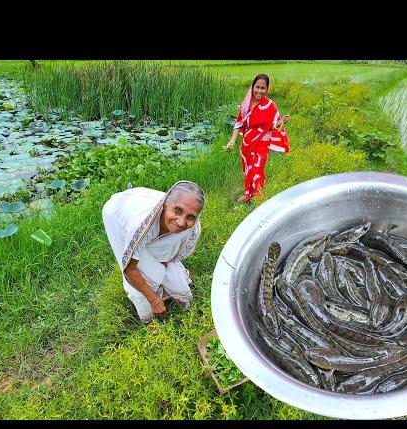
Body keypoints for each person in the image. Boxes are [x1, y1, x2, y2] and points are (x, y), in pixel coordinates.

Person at [102, 180, 205, 325]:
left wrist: (162, 263)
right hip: (116, 215)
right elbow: (130, 269)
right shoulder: (141, 226)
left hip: (141, 204)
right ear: (164, 204)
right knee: (140, 275)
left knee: (175, 284)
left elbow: (171, 253)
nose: (182, 222)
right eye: (177, 210)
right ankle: (149, 315)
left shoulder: (191, 228)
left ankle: (166, 288)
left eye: (190, 217)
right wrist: (154, 300)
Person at [225, 74, 290, 203]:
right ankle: (248, 195)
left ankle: (259, 199)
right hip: (247, 144)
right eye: (257, 87)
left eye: (263, 88)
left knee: (257, 169)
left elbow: (274, 126)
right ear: (252, 87)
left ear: (267, 89)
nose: (259, 91)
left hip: (261, 144)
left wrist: (282, 121)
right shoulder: (245, 104)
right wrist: (232, 141)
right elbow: (239, 123)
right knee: (248, 169)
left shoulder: (270, 105)